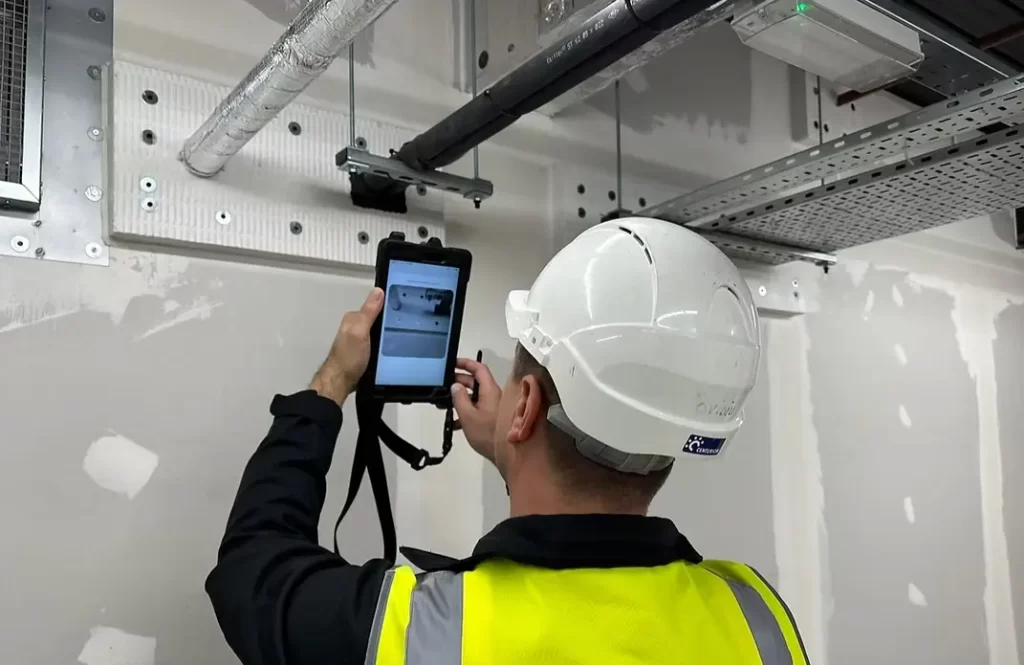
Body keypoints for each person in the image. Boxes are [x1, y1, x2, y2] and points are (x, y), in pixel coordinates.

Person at [207, 217, 809, 665]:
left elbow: (250, 571)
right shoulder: (756, 617)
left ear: (524, 407)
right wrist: (513, 447)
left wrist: (331, 383)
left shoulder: (423, 629)